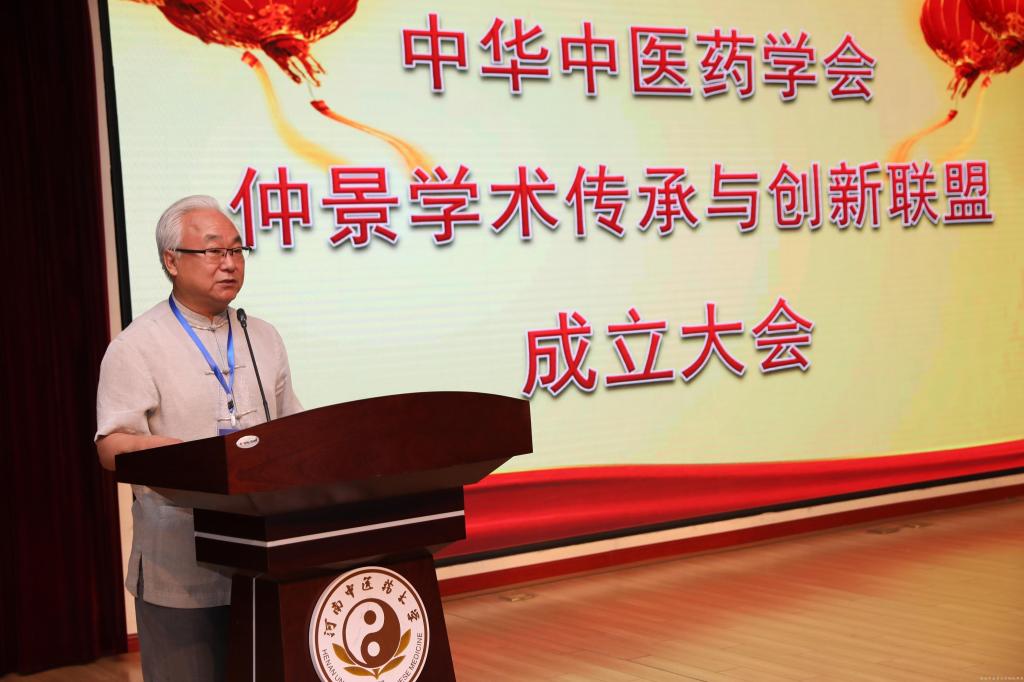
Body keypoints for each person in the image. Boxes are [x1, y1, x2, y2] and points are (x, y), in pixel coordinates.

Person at [95, 195, 303, 681]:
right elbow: (111, 446)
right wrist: (187, 459)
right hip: (180, 564)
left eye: (237, 250)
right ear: (172, 261)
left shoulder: (262, 336)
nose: (229, 263)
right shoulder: (136, 345)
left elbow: (291, 426)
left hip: (263, 556)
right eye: (213, 251)